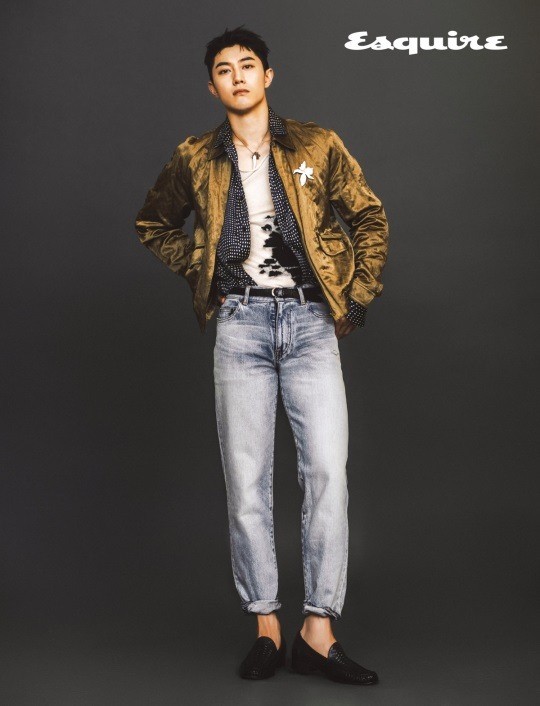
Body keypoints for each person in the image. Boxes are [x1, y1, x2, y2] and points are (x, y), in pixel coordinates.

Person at [134, 25, 389, 685]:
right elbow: (154, 223)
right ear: (212, 85)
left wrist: (357, 294)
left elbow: (368, 216)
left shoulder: (317, 144)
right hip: (240, 325)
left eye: (248, 65)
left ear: (267, 76)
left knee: (327, 473)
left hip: (310, 321)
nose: (238, 76)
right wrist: (202, 266)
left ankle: (319, 632)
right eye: (225, 69)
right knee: (246, 482)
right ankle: (267, 628)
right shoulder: (196, 157)